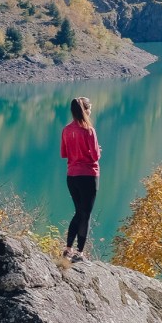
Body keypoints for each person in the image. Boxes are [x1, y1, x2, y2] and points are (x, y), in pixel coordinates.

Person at [60, 96, 100, 261]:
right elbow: (95, 156)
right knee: (86, 214)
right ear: (86, 110)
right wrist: (95, 152)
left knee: (79, 212)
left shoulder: (66, 130)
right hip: (88, 175)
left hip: (72, 176)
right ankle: (79, 253)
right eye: (89, 108)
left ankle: (68, 249)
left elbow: (64, 154)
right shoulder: (89, 130)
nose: (90, 111)